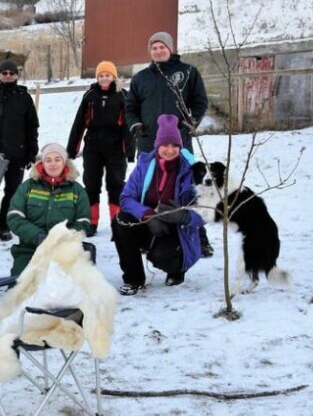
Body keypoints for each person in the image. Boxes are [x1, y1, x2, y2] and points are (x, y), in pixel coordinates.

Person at [124, 31, 213, 257]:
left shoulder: (188, 72)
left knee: (188, 188)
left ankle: (200, 238)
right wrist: (135, 125)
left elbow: (200, 101)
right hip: (148, 143)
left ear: (170, 48)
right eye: (154, 48)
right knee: (148, 188)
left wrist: (189, 123)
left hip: (178, 143)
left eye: (162, 47)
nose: (158, 51)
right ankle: (148, 233)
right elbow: (130, 106)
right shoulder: (140, 78)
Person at [112, 114, 205, 295]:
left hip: (177, 231)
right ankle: (134, 279)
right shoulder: (145, 165)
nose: (169, 150)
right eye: (165, 145)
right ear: (157, 145)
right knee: (121, 220)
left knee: (161, 257)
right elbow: (126, 197)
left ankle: (177, 269)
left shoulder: (193, 170)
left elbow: (209, 210)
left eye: (174, 146)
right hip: (150, 222)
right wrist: (146, 213)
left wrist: (185, 216)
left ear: (180, 147)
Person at [66, 60, 135, 237]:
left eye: (108, 75)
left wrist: (130, 151)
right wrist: (72, 149)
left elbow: (128, 125)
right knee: (91, 184)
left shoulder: (123, 96)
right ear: (97, 77)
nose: (104, 78)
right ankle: (92, 222)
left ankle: (117, 222)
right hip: (93, 147)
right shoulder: (90, 96)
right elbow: (79, 123)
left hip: (115, 148)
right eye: (101, 75)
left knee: (116, 184)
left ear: (114, 77)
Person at [0, 59, 39, 244]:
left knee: (12, 193)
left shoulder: (24, 98)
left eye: (11, 73)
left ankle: (4, 226)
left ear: (17, 75)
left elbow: (32, 128)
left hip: (17, 155)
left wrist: (31, 153)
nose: (8, 76)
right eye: (4, 73)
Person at [6, 142, 90, 278]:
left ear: (65, 163)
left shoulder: (77, 190)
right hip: (30, 249)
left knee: (70, 290)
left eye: (58, 159)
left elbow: (84, 221)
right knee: (20, 289)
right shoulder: (27, 187)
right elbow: (14, 217)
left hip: (65, 249)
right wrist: (39, 236)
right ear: (42, 163)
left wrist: (63, 238)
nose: (53, 164)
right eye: (48, 160)